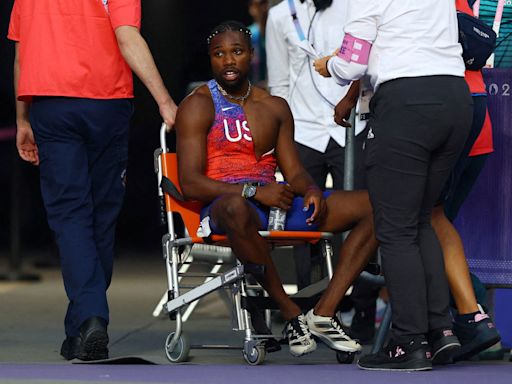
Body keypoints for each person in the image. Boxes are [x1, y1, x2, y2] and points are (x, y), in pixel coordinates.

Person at [175, 20, 378, 357]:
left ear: (251, 55)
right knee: (235, 207)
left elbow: (294, 170)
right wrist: (252, 192)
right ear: (210, 59)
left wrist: (311, 188)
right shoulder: (197, 104)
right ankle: (290, 312)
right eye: (219, 54)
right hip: (228, 207)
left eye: (237, 52)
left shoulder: (274, 106)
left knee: (377, 205)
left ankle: (324, 313)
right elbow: (191, 182)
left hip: (274, 206)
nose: (228, 61)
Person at [8, 0, 177, 361]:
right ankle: (89, 319)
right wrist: (163, 99)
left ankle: (86, 322)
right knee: (101, 214)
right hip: (107, 104)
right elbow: (128, 37)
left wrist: (23, 119)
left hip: (51, 104)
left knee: (71, 214)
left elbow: (21, 55)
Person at [314, 0, 473, 371]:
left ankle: (409, 343)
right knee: (419, 220)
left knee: (396, 230)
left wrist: (329, 65)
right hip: (454, 98)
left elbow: (353, 63)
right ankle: (440, 332)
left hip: (406, 104)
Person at [266, 1, 374, 318]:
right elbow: (279, 83)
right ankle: (304, 312)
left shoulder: (355, 7)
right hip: (301, 132)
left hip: (351, 127)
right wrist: (281, 137)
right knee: (303, 225)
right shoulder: (279, 16)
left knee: (364, 217)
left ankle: (363, 312)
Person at [429, 0, 501, 363]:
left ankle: (471, 317)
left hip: (449, 117)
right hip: (473, 121)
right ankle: (466, 319)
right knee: (431, 220)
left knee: (427, 221)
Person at [247, 0, 269, 86]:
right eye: (258, 4)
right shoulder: (248, 35)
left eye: (264, 3)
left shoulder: (278, 30)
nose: (262, 9)